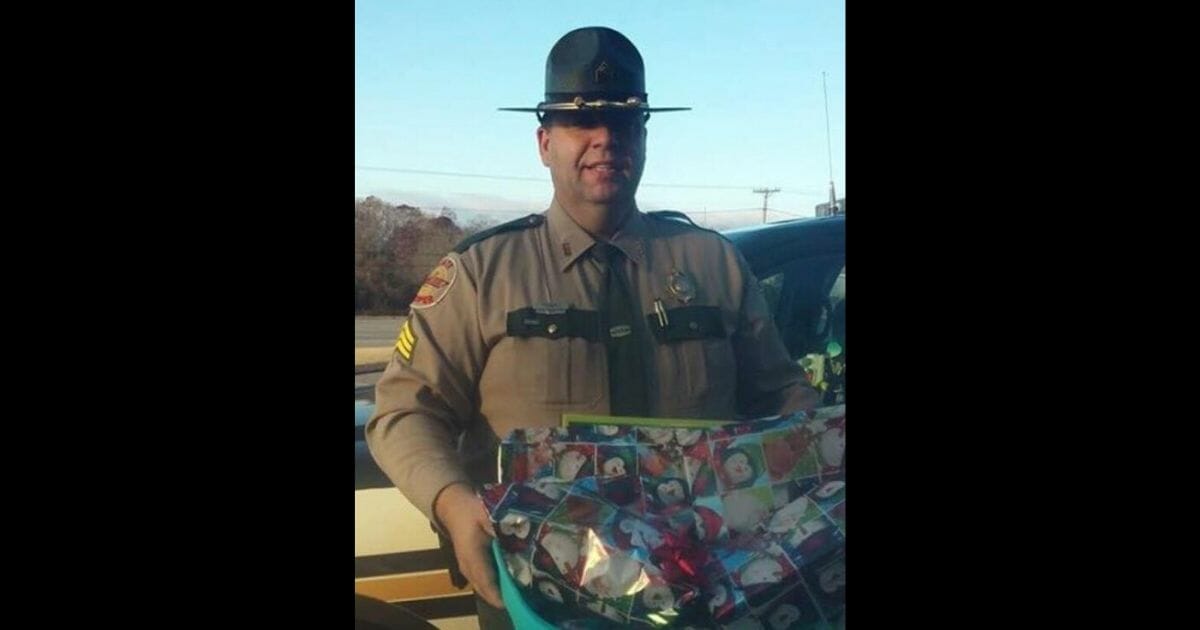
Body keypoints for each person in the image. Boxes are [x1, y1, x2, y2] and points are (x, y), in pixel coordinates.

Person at [366, 26, 819, 628]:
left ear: (645, 138)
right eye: (583, 123)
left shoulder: (712, 264)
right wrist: (452, 504)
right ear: (544, 142)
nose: (606, 139)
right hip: (539, 592)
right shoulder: (480, 274)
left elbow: (782, 401)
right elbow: (404, 411)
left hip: (704, 585)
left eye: (626, 122)